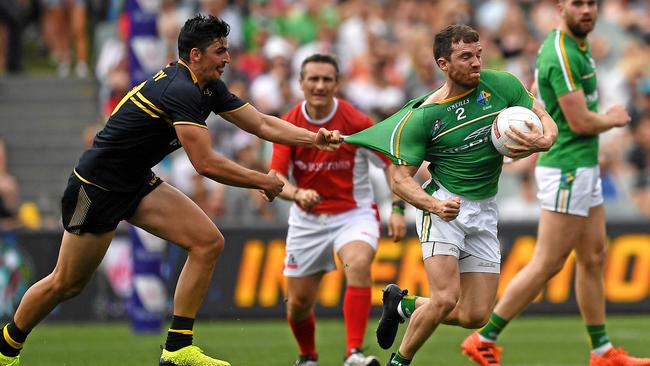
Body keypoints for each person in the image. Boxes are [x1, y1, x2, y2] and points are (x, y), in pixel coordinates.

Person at [0, 15, 342, 366]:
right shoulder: (181, 91)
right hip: (96, 188)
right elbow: (205, 164)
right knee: (66, 283)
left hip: (134, 181)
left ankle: (177, 348)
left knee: (208, 242)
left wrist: (315, 138)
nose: (227, 58)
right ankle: (6, 348)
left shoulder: (206, 84)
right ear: (195, 54)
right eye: (219, 51)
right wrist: (262, 180)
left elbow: (262, 123)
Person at [345, 24, 558, 366]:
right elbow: (399, 179)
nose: (476, 63)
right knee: (445, 298)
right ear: (443, 64)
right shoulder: (426, 116)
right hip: (444, 205)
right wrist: (433, 205)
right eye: (465, 57)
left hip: (485, 209)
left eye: (478, 55)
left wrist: (546, 139)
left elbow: (543, 116)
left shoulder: (502, 84)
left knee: (475, 316)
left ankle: (402, 305)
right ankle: (399, 362)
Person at [461, 2, 650, 366]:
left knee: (594, 257)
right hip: (566, 168)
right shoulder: (563, 52)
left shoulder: (570, 43)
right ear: (561, 7)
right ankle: (483, 338)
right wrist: (611, 119)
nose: (587, 10)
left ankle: (602, 352)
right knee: (547, 262)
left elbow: (535, 87)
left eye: (592, 3)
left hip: (581, 166)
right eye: (577, 3)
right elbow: (579, 122)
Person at [270, 54, 407, 366]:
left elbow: (393, 164)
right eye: (313, 79)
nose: (320, 85)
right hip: (307, 219)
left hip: (353, 214)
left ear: (337, 83)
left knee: (358, 264)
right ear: (301, 83)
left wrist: (397, 208)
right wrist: (297, 193)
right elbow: (275, 179)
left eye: (326, 79)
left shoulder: (355, 122)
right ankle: (308, 358)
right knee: (299, 304)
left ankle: (353, 354)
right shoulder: (288, 123)